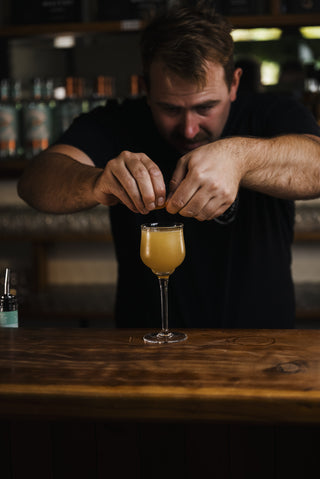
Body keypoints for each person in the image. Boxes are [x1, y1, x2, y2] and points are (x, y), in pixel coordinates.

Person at [18, 4, 320, 329]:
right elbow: (35, 182)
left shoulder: (272, 114)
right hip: (145, 347)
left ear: (234, 84)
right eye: (170, 108)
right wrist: (95, 182)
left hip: (265, 349)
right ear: (146, 88)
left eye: (206, 107)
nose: (189, 129)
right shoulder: (118, 121)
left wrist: (240, 157)